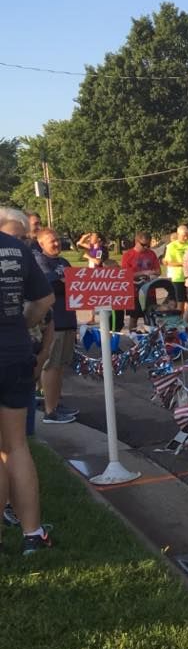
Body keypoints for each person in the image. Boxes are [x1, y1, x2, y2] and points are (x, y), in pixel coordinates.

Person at [0, 206, 55, 555]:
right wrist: (19, 326)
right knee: (15, 446)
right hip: (14, 352)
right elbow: (44, 300)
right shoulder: (17, 248)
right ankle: (33, 534)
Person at [33, 229, 80, 424]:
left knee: (60, 366)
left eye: (58, 240)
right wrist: (66, 283)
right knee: (50, 366)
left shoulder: (63, 262)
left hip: (69, 319)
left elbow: (76, 284)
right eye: (52, 241)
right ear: (41, 244)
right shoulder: (40, 261)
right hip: (55, 322)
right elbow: (53, 286)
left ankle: (56, 403)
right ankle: (50, 411)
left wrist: (66, 282)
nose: (56, 244)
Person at [121, 231, 161, 332]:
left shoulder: (151, 254)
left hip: (149, 291)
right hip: (134, 292)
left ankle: (149, 340)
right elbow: (125, 274)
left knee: (150, 318)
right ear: (136, 241)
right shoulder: (128, 255)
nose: (146, 247)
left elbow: (158, 271)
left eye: (148, 245)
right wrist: (143, 273)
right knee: (134, 318)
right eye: (143, 245)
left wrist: (152, 274)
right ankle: (133, 339)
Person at [162, 225, 188, 311]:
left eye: (187, 235)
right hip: (178, 277)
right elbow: (168, 262)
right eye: (183, 236)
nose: (186, 238)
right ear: (178, 235)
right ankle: (180, 320)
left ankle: (184, 320)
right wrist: (184, 263)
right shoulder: (172, 246)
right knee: (180, 301)